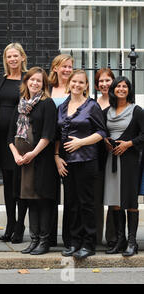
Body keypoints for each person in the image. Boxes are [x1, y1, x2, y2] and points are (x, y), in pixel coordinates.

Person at [55, 70, 107, 259]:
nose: (76, 85)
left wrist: (80, 142)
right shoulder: (62, 107)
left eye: (81, 83)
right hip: (67, 163)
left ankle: (89, 243)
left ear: (86, 86)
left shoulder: (92, 106)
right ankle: (74, 242)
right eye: (74, 82)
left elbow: (101, 132)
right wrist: (56, 156)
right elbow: (57, 135)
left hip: (86, 160)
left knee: (87, 203)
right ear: (69, 84)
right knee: (71, 203)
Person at [8, 67, 58, 255]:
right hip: (22, 163)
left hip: (41, 161)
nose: (35, 83)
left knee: (42, 201)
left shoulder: (47, 104)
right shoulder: (20, 105)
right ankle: (34, 239)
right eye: (32, 80)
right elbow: (9, 136)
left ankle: (44, 241)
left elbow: (48, 134)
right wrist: (16, 155)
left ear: (44, 84)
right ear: (26, 82)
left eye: (39, 81)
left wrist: (32, 154)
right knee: (29, 201)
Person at [103, 76, 144, 257]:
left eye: (125, 86)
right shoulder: (107, 111)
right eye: (118, 86)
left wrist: (128, 144)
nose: (121, 89)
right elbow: (101, 132)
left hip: (130, 161)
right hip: (111, 160)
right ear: (113, 89)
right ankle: (120, 240)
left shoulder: (137, 111)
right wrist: (106, 141)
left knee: (130, 200)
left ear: (129, 90)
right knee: (115, 201)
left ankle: (132, 242)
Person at [0, 42, 28, 243]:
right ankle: (10, 223)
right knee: (7, 184)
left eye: (16, 56)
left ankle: (20, 225)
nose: (12, 59)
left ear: (22, 57)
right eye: (9, 57)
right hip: (3, 140)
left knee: (20, 183)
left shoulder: (28, 79)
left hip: (21, 139)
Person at [48, 54, 74, 248]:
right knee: (49, 194)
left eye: (70, 67)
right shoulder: (47, 89)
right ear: (55, 68)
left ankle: (69, 237)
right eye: (63, 66)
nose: (67, 70)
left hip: (69, 146)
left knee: (71, 195)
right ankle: (48, 236)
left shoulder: (75, 89)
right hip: (46, 146)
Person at [94, 68, 116, 247]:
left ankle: (112, 237)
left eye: (107, 80)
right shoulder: (93, 104)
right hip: (95, 154)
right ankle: (95, 237)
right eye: (101, 81)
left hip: (114, 154)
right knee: (96, 196)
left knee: (113, 197)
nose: (104, 84)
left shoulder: (120, 104)